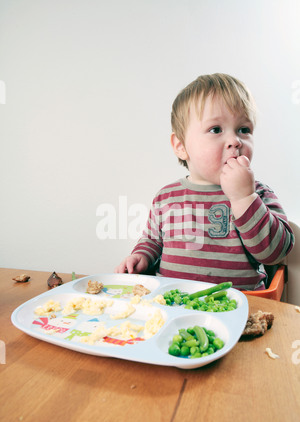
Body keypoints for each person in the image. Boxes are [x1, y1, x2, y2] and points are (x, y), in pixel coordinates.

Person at [115, 73, 295, 290]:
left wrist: (244, 198)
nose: (235, 141)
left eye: (244, 130)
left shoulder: (258, 193)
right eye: (216, 129)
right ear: (181, 146)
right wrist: (140, 257)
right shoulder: (166, 197)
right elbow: (153, 241)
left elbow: (275, 254)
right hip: (173, 305)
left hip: (240, 309)